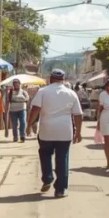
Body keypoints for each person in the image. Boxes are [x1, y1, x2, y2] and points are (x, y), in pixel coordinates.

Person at [27, 69, 82, 198]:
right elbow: (78, 114)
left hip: (47, 130)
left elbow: (35, 109)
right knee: (62, 158)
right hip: (65, 131)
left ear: (50, 79)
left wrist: (29, 125)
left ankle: (47, 178)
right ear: (63, 79)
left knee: (45, 153)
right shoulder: (71, 93)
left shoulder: (43, 92)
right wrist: (78, 132)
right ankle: (60, 190)